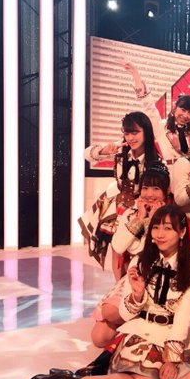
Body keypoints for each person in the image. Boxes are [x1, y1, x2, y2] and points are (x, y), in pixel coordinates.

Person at [21, 206, 190, 379]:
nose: (160, 234)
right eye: (156, 227)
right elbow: (125, 314)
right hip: (143, 333)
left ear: (182, 232)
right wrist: (137, 296)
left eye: (168, 228)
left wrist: (171, 359)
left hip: (172, 335)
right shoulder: (140, 261)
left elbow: (185, 314)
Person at [90, 163, 172, 348]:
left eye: (156, 189)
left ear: (166, 192)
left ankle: (135, 331)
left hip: (159, 281)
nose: (149, 194)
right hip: (135, 277)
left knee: (111, 313)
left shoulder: (171, 216)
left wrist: (153, 220)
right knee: (98, 337)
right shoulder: (131, 213)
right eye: (145, 188)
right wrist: (140, 218)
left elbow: (149, 250)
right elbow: (119, 246)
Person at [80, 112, 161, 278]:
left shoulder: (156, 159)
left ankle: (133, 285)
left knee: (136, 250)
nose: (130, 138)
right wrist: (104, 150)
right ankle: (118, 285)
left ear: (146, 131)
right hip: (118, 207)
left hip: (141, 209)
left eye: (135, 132)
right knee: (117, 250)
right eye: (127, 133)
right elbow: (87, 154)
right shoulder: (121, 150)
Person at [122, 59, 190, 164]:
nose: (185, 115)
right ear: (174, 107)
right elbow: (148, 104)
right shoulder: (161, 126)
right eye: (183, 110)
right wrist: (135, 73)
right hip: (170, 172)